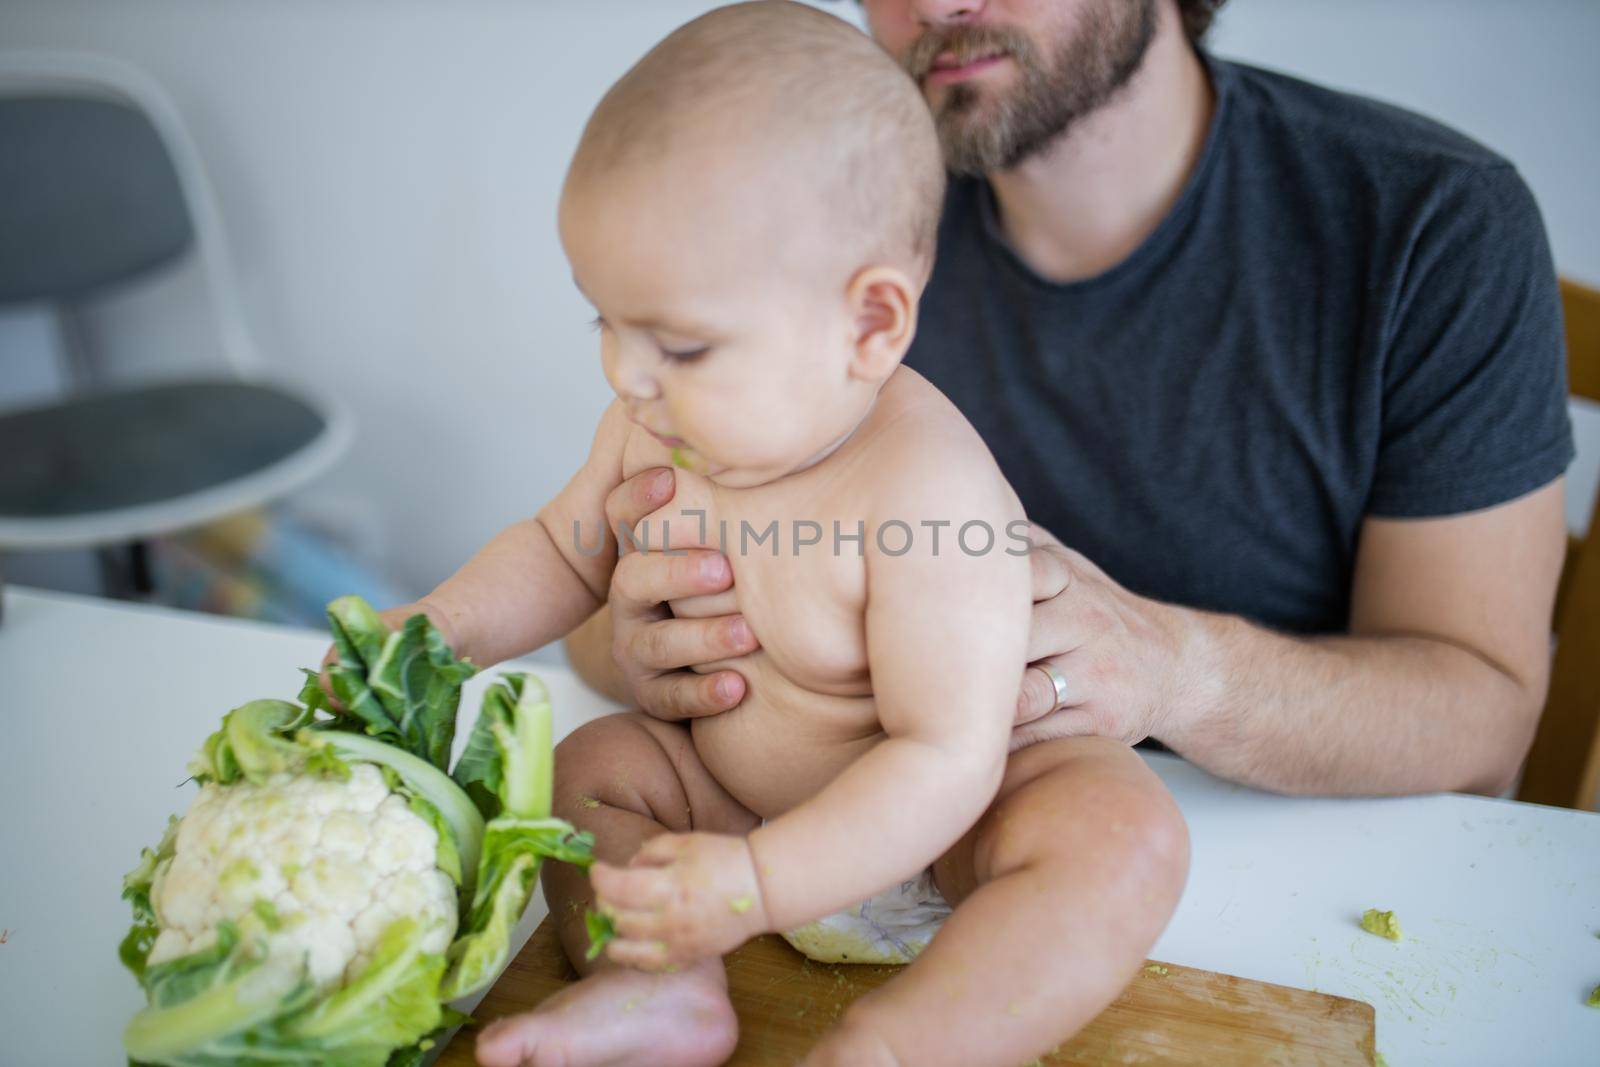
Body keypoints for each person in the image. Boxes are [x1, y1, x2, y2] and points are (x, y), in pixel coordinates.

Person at [346, 5, 1187, 1065]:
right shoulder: (655, 424)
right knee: (588, 770)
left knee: (1120, 834)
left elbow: (945, 752)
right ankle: (659, 988)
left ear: (870, 325)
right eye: (603, 321)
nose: (625, 374)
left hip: (950, 831)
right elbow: (562, 554)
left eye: (682, 345)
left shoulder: (927, 491)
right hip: (734, 807)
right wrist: (428, 636)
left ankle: (903, 1044)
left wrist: (759, 884)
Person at [565, 0, 1573, 799]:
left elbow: (1480, 723)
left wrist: (1177, 669)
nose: (935, 5)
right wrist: (636, 643)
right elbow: (585, 584)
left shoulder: (1432, 222)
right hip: (843, 830)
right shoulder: (819, 203)